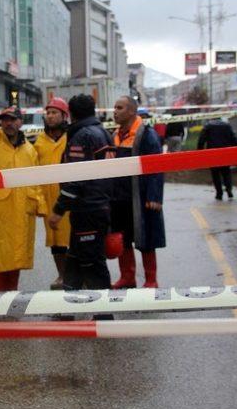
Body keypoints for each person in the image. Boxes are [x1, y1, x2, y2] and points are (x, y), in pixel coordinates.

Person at [0, 106, 47, 292]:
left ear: (20, 122)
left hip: (22, 211)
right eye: (5, 119)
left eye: (13, 119)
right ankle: (0, 298)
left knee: (17, 258)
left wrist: (40, 204)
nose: (9, 123)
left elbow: (35, 179)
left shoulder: (29, 150)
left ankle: (11, 297)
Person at [48, 94, 114, 292]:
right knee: (75, 259)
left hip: (88, 209)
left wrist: (58, 209)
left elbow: (76, 178)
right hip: (99, 205)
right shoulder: (103, 132)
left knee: (93, 265)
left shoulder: (82, 136)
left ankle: (103, 316)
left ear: (71, 114)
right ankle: (69, 306)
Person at [110, 96, 165, 289]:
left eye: (119, 107)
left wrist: (154, 196)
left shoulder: (146, 135)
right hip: (118, 199)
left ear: (132, 111)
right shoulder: (115, 134)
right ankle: (128, 277)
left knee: (146, 239)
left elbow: (156, 167)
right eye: (115, 107)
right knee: (122, 240)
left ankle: (151, 280)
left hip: (140, 198)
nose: (114, 111)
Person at [34, 97, 70, 290]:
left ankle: (76, 276)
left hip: (70, 198)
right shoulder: (39, 142)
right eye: (48, 112)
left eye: (54, 112)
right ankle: (62, 275)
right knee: (56, 242)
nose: (50, 116)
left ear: (64, 116)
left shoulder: (71, 137)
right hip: (49, 199)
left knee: (73, 239)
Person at [197, 118, 237, 200]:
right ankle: (229, 189)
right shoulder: (226, 125)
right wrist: (236, 149)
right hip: (225, 152)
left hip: (213, 152)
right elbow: (233, 138)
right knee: (226, 172)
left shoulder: (208, 126)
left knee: (215, 174)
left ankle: (219, 193)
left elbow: (202, 139)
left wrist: (199, 151)